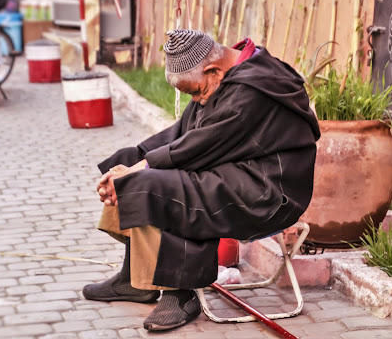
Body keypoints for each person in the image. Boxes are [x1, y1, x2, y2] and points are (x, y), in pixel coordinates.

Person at [83, 29, 320, 331]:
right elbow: (182, 133)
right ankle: (136, 279)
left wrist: (139, 170)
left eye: (196, 92)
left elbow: (200, 146)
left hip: (266, 193)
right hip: (233, 172)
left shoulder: (251, 91)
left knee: (160, 182)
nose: (196, 100)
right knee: (134, 165)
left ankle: (180, 294)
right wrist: (132, 160)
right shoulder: (223, 76)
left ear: (213, 70)